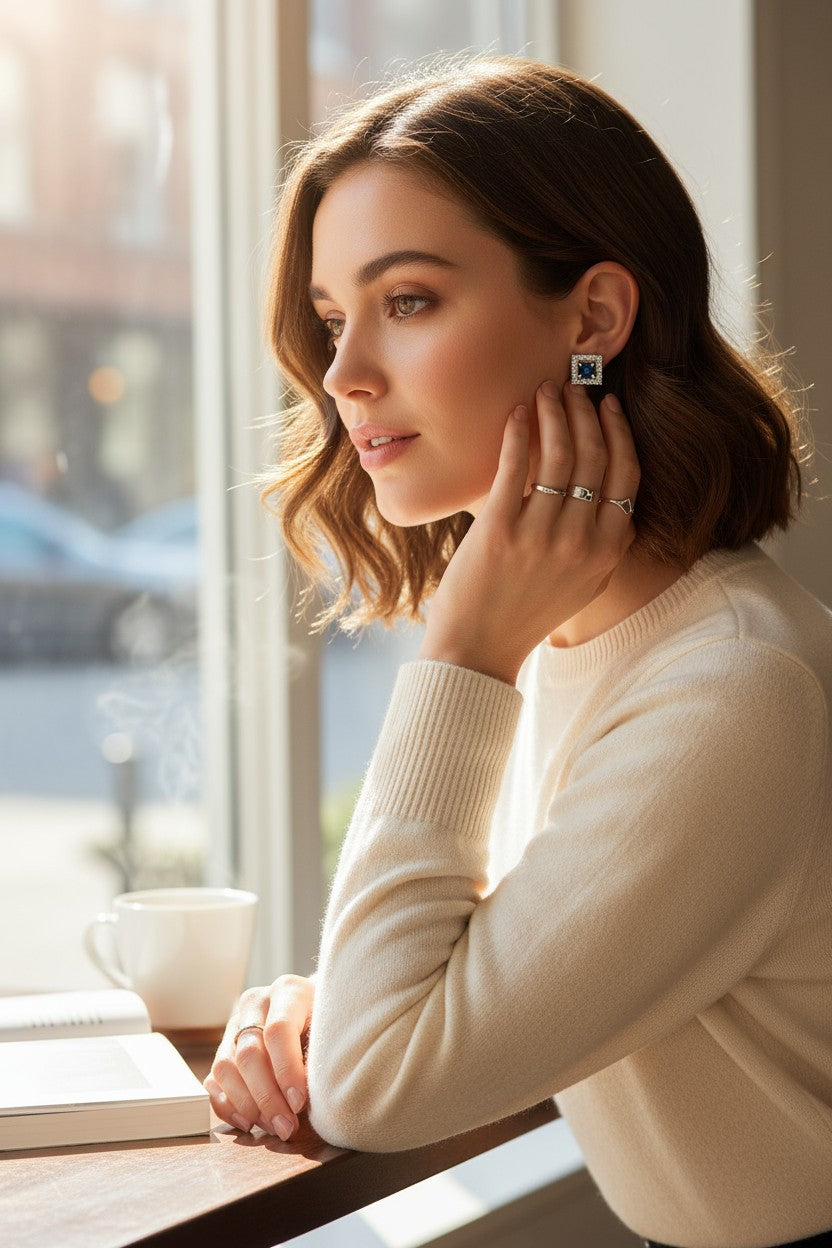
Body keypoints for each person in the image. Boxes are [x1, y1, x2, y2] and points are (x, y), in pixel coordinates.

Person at [204, 56, 832, 1248]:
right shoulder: (598, 641)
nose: (342, 376)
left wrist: (464, 650)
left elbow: (380, 1090)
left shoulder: (732, 690)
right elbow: (508, 962)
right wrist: (330, 1003)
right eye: (335, 319)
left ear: (593, 317)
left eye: (409, 301)